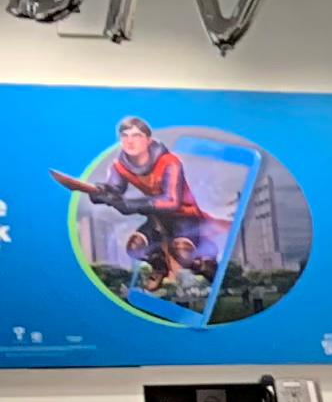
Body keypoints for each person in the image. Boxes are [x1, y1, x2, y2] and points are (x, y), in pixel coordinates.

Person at [47, 116, 214, 299]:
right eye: (124, 136)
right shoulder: (120, 165)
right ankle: (159, 266)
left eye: (136, 135)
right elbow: (114, 189)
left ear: (147, 140)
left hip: (185, 217)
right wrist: (101, 192)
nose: (129, 141)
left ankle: (203, 265)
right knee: (135, 247)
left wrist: (132, 205)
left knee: (182, 253)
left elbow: (171, 201)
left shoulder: (169, 162)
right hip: (157, 218)